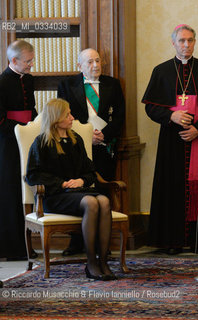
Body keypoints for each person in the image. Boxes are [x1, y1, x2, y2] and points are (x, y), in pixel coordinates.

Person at [142, 24, 198, 255]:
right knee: (171, 187)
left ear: (195, 42)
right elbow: (151, 107)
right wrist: (171, 115)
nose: (186, 45)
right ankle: (172, 240)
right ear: (173, 43)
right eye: (182, 40)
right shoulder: (161, 70)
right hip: (171, 140)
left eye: (190, 40)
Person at [26, 98, 116, 281]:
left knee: (104, 201)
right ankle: (91, 263)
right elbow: (33, 175)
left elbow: (90, 171)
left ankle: (103, 261)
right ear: (56, 118)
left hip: (77, 192)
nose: (72, 117)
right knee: (91, 202)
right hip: (54, 196)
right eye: (67, 114)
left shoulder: (76, 139)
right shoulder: (42, 142)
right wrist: (61, 183)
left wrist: (81, 179)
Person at [57, 48, 125, 256]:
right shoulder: (67, 85)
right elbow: (62, 117)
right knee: (79, 193)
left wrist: (103, 135)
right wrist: (87, 135)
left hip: (104, 146)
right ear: (80, 66)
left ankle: (102, 243)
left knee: (102, 191)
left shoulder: (113, 84)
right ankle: (77, 241)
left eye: (98, 61)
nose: (95, 65)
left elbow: (120, 115)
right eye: (90, 62)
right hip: (77, 147)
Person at [0, 40, 37, 260]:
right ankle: (10, 248)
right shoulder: (2, 82)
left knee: (26, 190)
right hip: (7, 143)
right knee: (10, 191)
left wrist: (33, 125)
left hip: (27, 139)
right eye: (28, 61)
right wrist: (21, 129)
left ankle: (26, 245)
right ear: (14, 60)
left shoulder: (29, 80)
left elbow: (30, 108)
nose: (31, 65)